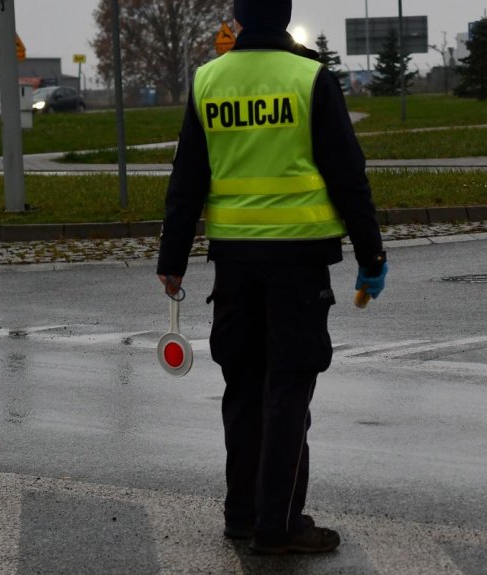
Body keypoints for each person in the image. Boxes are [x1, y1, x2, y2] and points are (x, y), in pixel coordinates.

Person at [155, 0, 388, 556]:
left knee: (242, 388)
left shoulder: (209, 81)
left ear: (235, 17)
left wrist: (173, 258)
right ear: (284, 15)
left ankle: (242, 513)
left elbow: (188, 175)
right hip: (298, 262)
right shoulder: (309, 77)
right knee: (288, 387)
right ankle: (278, 524)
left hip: (233, 263)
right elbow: (347, 174)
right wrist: (371, 253)